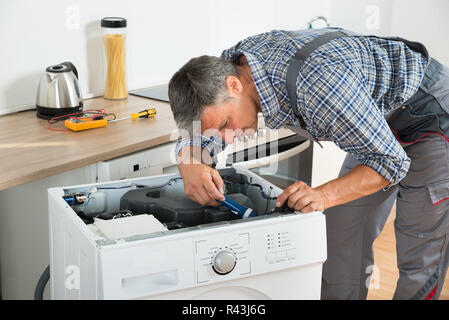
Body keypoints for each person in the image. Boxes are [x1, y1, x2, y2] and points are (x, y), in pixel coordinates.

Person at [167, 27, 449, 300]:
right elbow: (200, 126)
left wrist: (323, 194)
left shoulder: (318, 85)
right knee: (340, 234)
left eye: (226, 124)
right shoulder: (231, 66)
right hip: (371, 119)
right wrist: (190, 159)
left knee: (420, 250)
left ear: (234, 86)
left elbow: (390, 161)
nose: (227, 138)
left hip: (428, 113)